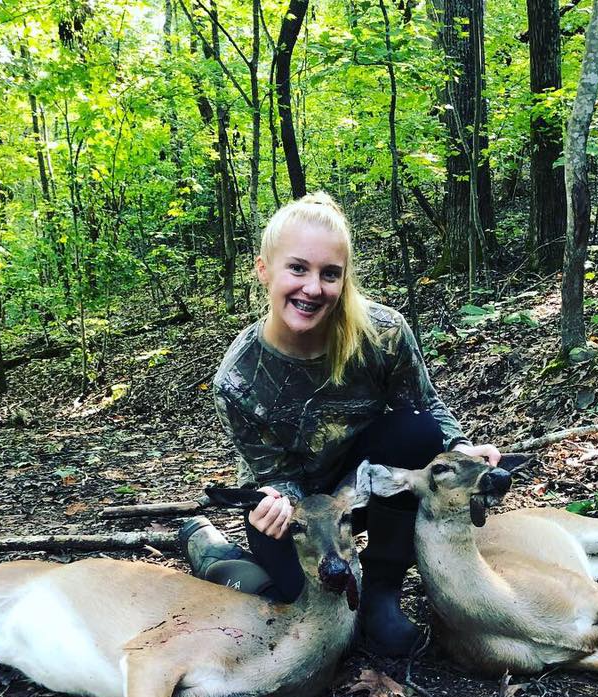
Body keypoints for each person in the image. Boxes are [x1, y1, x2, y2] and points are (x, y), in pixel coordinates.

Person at [180, 193, 500, 655]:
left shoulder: (382, 333)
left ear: (344, 279)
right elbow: (274, 476)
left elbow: (426, 408)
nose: (313, 288)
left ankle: (382, 591)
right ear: (263, 270)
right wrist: (275, 502)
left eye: (329, 274)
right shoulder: (238, 377)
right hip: (293, 514)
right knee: (304, 622)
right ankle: (215, 555)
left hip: (365, 487)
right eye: (297, 269)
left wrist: (462, 446)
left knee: (418, 434)